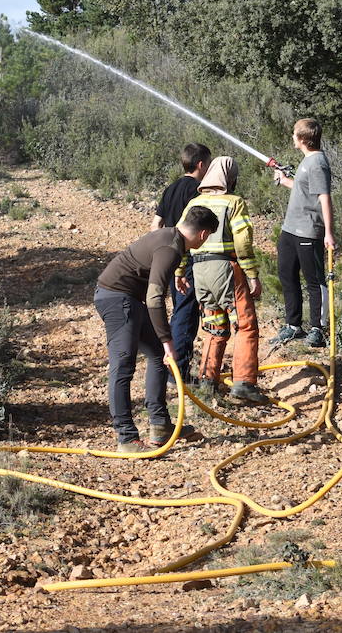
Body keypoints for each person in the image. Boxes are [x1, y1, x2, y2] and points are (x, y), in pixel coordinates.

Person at [96, 205, 219, 452]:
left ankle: (160, 425)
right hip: (117, 299)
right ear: (204, 235)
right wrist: (168, 341)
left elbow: (156, 264)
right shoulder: (171, 248)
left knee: (156, 358)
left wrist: (175, 276)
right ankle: (127, 439)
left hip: (128, 298)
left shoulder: (171, 236)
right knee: (124, 365)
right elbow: (154, 298)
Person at [177, 156, 267, 403]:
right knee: (245, 324)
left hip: (200, 271)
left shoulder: (195, 202)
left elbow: (180, 238)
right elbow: (243, 241)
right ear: (230, 178)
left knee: (214, 327)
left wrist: (179, 271)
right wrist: (252, 274)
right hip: (226, 269)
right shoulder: (234, 202)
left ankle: (208, 381)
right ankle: (244, 384)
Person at [269, 119, 335, 349]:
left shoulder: (317, 163)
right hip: (290, 229)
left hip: (308, 230)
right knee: (287, 275)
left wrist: (328, 232)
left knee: (314, 282)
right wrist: (285, 180)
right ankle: (293, 325)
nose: (292, 137)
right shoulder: (308, 161)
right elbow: (305, 188)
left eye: (294, 134)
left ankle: (318, 328)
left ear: (304, 139)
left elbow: (324, 198)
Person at [150, 143, 212, 382]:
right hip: (190, 259)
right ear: (201, 164)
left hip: (171, 258)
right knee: (186, 314)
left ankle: (173, 369)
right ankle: (178, 373)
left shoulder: (171, 188)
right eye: (208, 164)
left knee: (179, 311)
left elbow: (155, 225)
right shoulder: (198, 191)